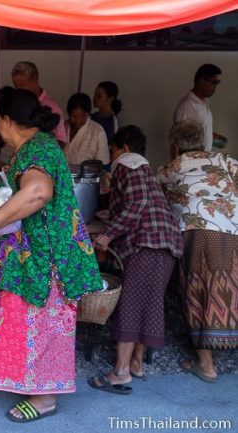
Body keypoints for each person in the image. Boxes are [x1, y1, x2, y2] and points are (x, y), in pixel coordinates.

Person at [0, 87, 102, 423]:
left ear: (7, 121)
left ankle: (44, 397)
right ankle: (30, 383)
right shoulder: (36, 147)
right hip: (30, 258)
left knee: (39, 322)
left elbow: (38, 190)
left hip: (42, 260)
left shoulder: (36, 150)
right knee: (24, 320)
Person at [90, 126, 182, 395]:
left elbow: (137, 204)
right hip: (165, 242)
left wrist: (108, 234)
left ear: (124, 148)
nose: (113, 156)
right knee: (150, 303)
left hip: (146, 243)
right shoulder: (146, 170)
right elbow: (141, 202)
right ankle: (137, 364)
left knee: (130, 303)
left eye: (114, 150)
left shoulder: (128, 163)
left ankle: (120, 373)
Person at [157, 120, 238, 383]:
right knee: (230, 288)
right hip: (233, 229)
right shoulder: (226, 161)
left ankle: (206, 365)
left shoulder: (174, 166)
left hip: (197, 231)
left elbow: (156, 195)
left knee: (199, 291)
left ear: (175, 145)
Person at [10, 61, 67, 146]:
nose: (19, 90)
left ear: (35, 79)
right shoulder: (17, 103)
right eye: (16, 86)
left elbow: (61, 141)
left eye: (22, 85)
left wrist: (38, 149)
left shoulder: (52, 108)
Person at [173, 64, 226, 152]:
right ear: (201, 82)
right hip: (192, 162)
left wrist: (214, 138)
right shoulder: (187, 107)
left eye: (217, 83)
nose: (215, 86)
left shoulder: (204, 102)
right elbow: (183, 141)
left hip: (202, 158)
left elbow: (198, 132)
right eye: (213, 83)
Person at [64, 92, 109, 166]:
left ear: (88, 114)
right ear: (68, 114)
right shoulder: (63, 127)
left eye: (82, 116)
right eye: (73, 116)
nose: (77, 121)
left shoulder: (97, 132)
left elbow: (103, 164)